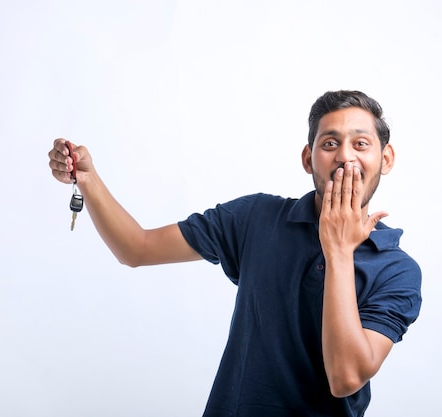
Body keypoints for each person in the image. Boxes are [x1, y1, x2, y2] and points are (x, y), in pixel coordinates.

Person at [47, 90, 422, 417]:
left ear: (385, 159)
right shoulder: (256, 218)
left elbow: (345, 379)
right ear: (308, 159)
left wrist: (339, 249)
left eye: (360, 144)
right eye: (329, 144)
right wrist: (89, 179)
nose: (344, 157)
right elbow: (136, 248)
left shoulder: (397, 271)